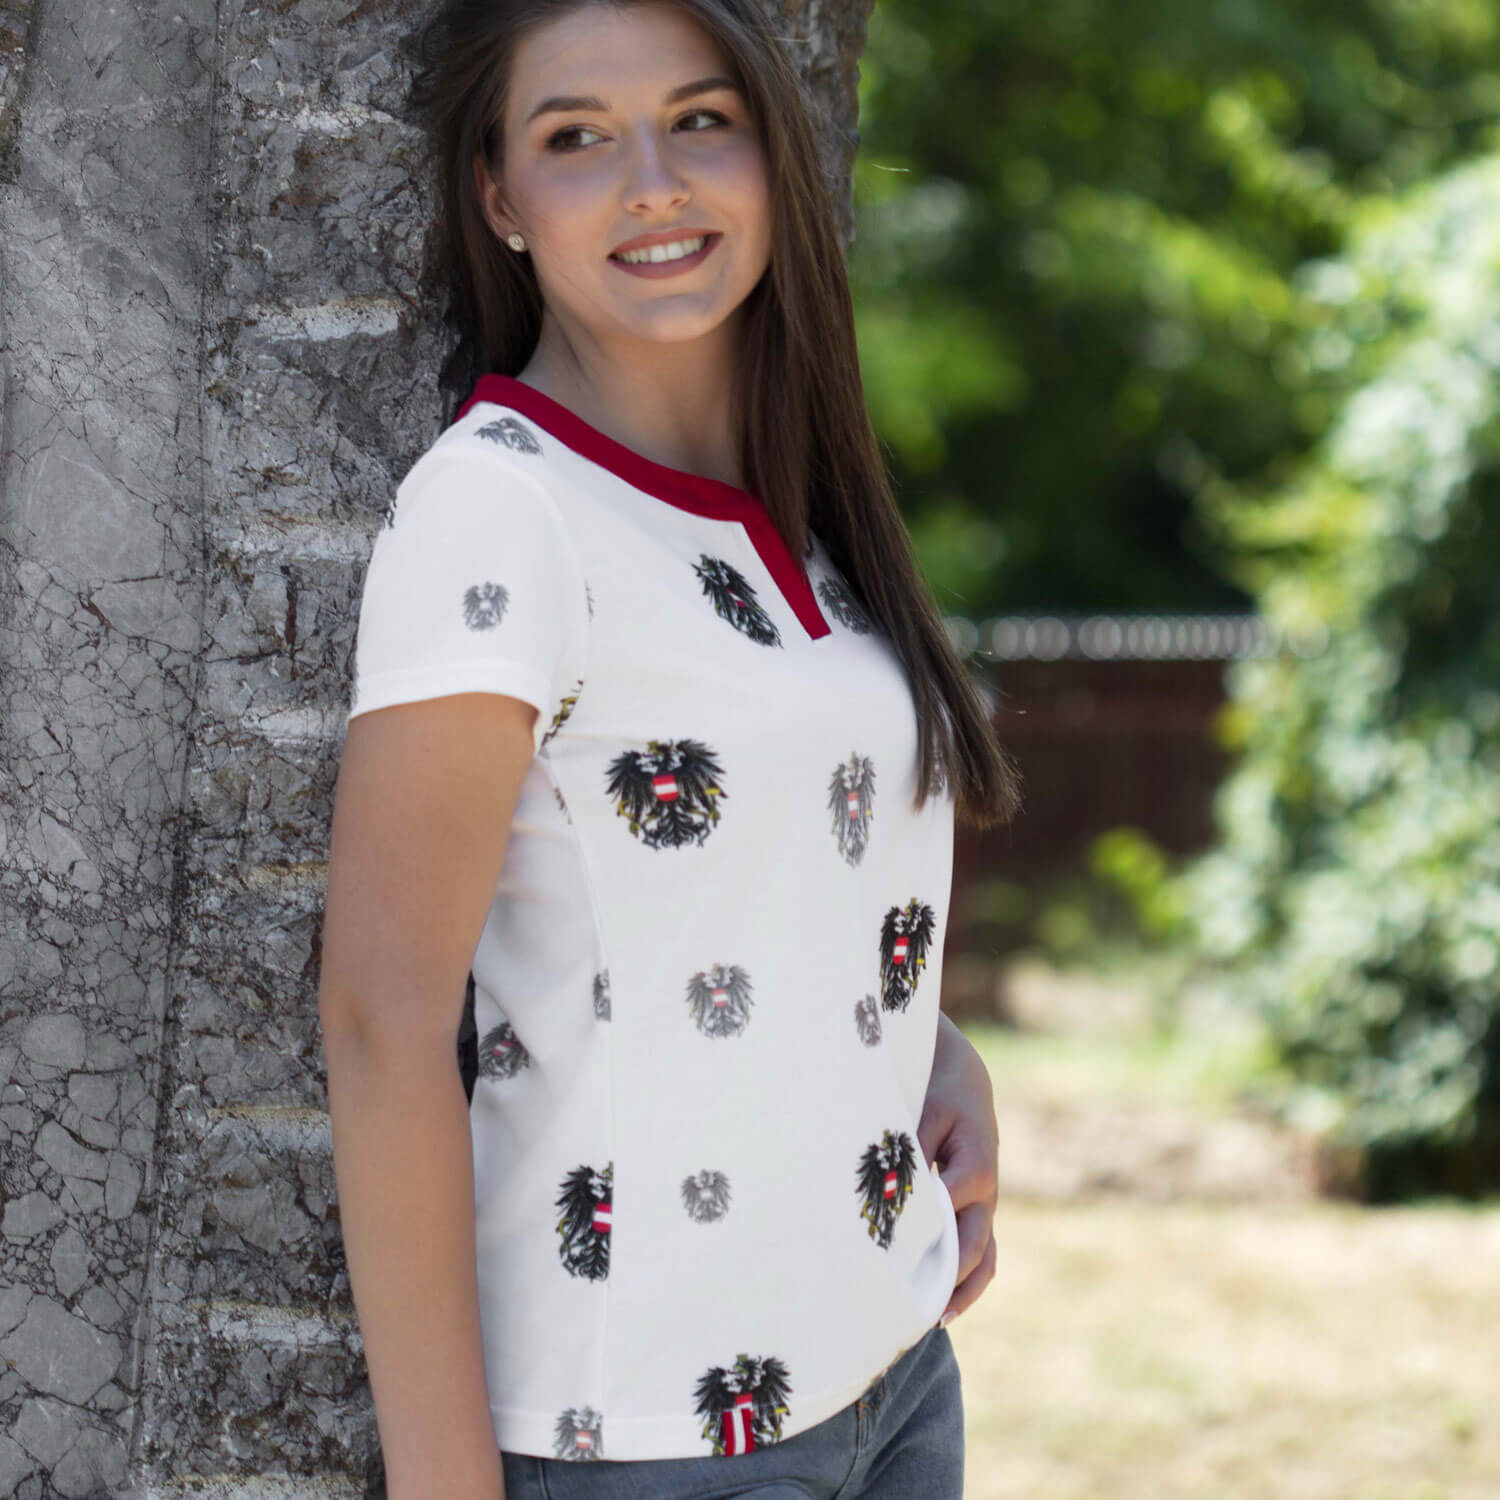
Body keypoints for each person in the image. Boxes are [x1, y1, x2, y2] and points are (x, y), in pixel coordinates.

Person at [316, 2, 1022, 1497]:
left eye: (702, 119)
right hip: (648, 1440)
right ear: (501, 201)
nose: (654, 181)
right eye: (577, 138)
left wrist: (931, 1047)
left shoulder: (800, 510)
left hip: (891, 1373)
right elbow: (383, 1020)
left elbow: (744, 873)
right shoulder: (502, 512)